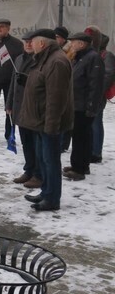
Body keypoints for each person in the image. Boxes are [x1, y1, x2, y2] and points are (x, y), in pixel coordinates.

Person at [19, 29, 74, 212]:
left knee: (51, 161)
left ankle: (52, 199)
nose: (30, 45)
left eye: (32, 41)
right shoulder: (45, 59)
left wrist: (52, 125)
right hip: (40, 121)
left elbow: (56, 98)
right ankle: (46, 192)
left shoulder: (56, 61)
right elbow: (43, 85)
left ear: (42, 43)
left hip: (48, 123)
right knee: (43, 159)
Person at [64, 31, 104, 181]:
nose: (71, 45)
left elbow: (95, 85)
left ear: (81, 44)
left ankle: (79, 169)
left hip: (83, 106)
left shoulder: (92, 58)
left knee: (81, 137)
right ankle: (80, 165)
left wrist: (91, 106)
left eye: (73, 42)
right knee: (80, 136)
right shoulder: (80, 57)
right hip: (77, 104)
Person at [5, 32, 42, 189]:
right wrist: (9, 103)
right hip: (19, 107)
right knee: (26, 141)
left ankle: (39, 174)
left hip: (34, 108)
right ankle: (29, 170)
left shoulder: (40, 60)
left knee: (36, 143)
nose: (28, 44)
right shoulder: (19, 59)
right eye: (25, 42)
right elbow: (13, 82)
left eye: (30, 42)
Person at [92, 34, 115, 163]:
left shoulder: (107, 56)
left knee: (96, 123)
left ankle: (96, 152)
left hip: (98, 95)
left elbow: (109, 75)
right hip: (89, 94)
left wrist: (98, 91)